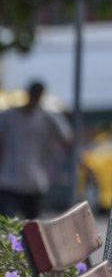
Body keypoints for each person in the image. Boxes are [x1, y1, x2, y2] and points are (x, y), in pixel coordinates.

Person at [0, 80, 72, 220]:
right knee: (7, 222)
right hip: (9, 179)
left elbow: (67, 140)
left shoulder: (48, 118)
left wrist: (52, 156)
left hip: (36, 180)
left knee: (32, 225)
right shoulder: (9, 116)